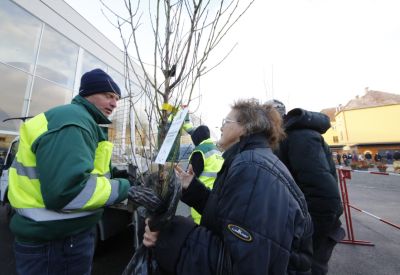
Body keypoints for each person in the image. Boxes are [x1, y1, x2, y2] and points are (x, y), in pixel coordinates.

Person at [142, 99, 313, 274]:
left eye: (226, 122)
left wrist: (168, 235)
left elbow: (240, 263)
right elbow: (234, 215)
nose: (221, 127)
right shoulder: (253, 160)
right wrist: (195, 190)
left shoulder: (251, 169)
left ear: (246, 127)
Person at [8, 68, 131, 275]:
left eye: (116, 98)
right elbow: (68, 193)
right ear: (88, 93)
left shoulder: (75, 119)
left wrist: (115, 175)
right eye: (108, 95)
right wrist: (123, 187)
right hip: (57, 244)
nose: (114, 103)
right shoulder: (74, 122)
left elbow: (83, 173)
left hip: (54, 240)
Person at [269, 100, 345, 275]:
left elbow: (323, 195)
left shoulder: (300, 137)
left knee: (311, 269)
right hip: (304, 227)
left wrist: (306, 235)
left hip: (314, 230)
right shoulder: (288, 138)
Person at [187, 125, 224, 224]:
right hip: (218, 193)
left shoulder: (200, 150)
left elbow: (191, 176)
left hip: (202, 194)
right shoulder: (217, 151)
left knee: (201, 224)